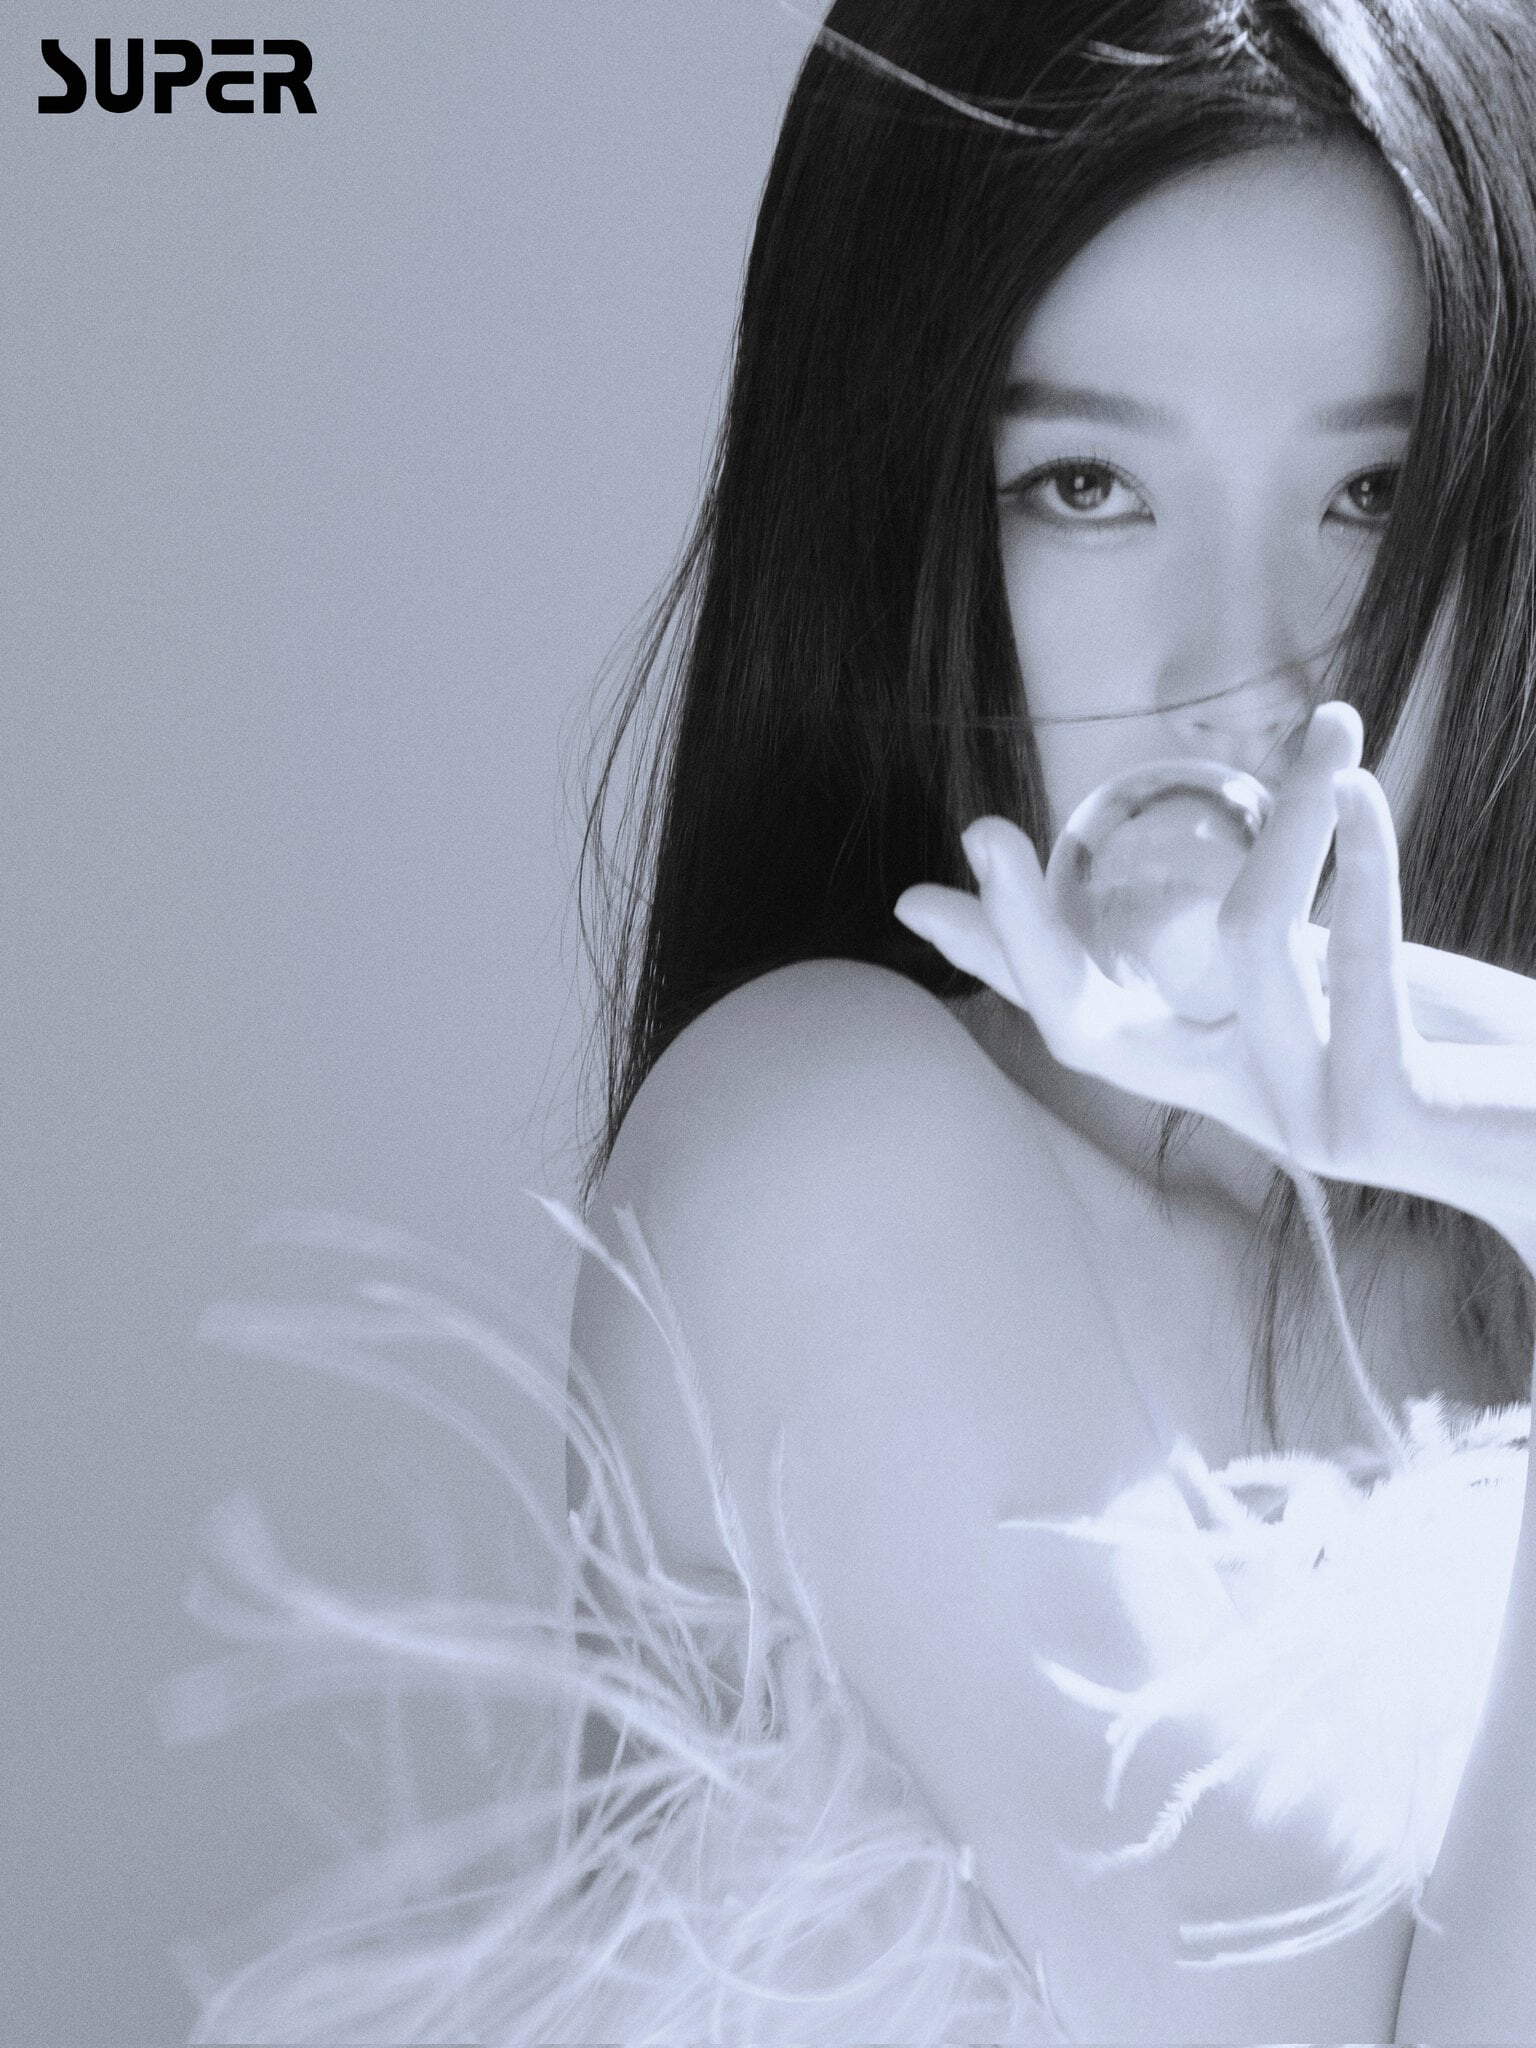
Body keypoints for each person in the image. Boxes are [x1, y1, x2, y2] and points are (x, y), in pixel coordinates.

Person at [160, 2, 1536, 2041]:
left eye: (1371, 494)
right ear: (908, 531)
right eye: (1087, 483)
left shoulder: (1475, 1249)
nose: (1244, 676)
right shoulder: (830, 1164)